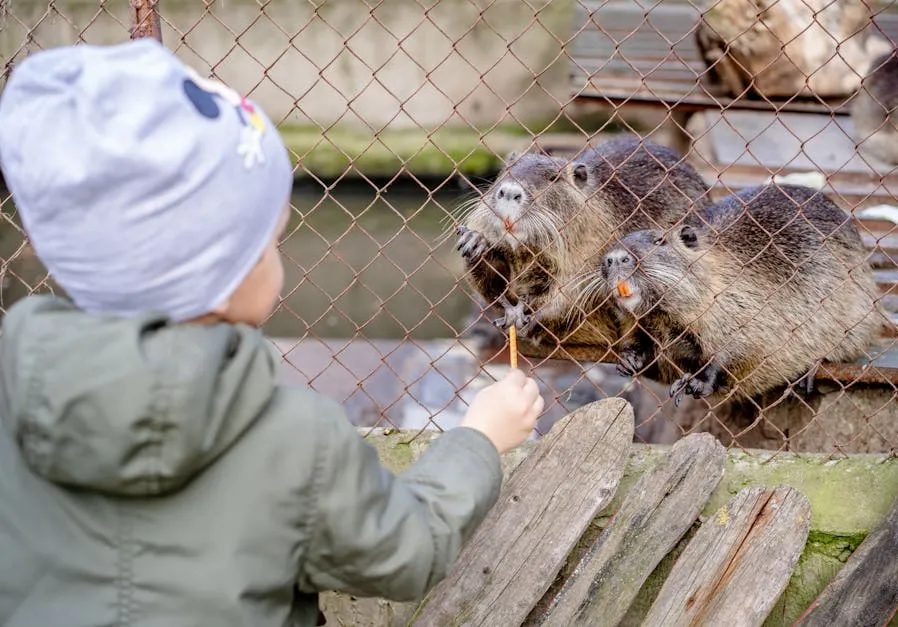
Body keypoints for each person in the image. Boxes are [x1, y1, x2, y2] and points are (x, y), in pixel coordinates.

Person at [0, 38, 544, 626]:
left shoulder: (12, 391)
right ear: (222, 274)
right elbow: (408, 551)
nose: (277, 256)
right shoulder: (296, 441)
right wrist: (478, 439)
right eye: (269, 241)